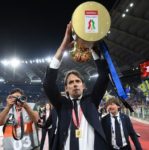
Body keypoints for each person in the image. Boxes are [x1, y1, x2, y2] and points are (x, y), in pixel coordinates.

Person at [43, 22, 110, 150]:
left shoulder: (92, 100)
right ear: (66, 88)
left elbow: (103, 76)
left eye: (77, 81)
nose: (74, 84)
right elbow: (48, 83)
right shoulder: (61, 104)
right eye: (71, 82)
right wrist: (63, 47)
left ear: (83, 86)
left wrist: (92, 47)